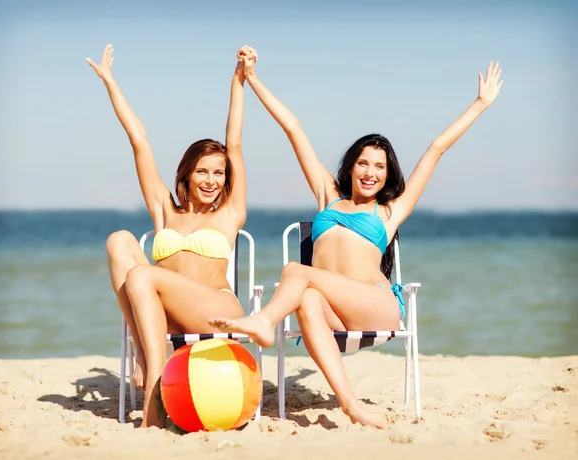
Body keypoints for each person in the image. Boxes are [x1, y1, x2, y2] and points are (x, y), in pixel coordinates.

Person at [210, 50, 504, 429]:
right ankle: (350, 404)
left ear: (387, 174)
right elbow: (293, 129)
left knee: (296, 272)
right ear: (350, 167)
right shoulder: (327, 196)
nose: (370, 172)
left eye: (379, 167)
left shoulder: (390, 211)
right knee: (308, 295)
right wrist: (252, 80)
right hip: (334, 311)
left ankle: (264, 320)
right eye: (363, 163)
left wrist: (479, 104)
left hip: (375, 306)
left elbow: (436, 148)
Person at [87, 44, 256, 428]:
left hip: (216, 313)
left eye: (218, 173)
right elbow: (139, 140)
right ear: (186, 175)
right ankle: (147, 357)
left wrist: (238, 80)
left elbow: (237, 142)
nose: (211, 181)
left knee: (143, 275)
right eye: (202, 172)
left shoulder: (230, 214)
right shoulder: (165, 209)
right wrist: (111, 82)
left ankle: (153, 398)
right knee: (118, 240)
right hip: (167, 315)